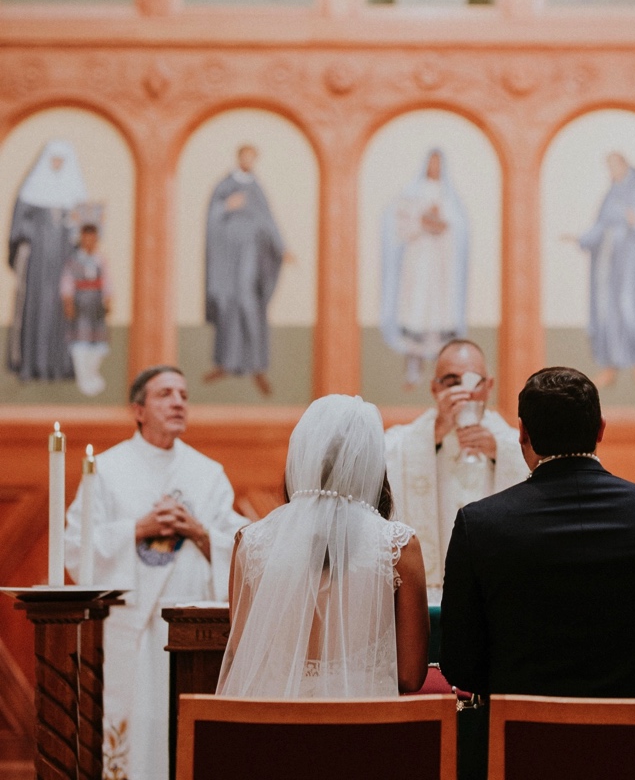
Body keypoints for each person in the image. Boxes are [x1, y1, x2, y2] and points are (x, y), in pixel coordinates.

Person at [440, 366, 635, 700]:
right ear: (601, 429)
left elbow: (460, 665)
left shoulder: (480, 523)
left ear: (522, 433)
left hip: (522, 742)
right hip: (633, 740)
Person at [64, 367, 243, 780]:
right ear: (138, 410)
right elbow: (76, 547)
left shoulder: (207, 473)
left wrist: (198, 532)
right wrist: (138, 529)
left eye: (183, 393)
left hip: (193, 632)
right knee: (136, 731)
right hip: (134, 630)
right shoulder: (106, 470)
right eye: (165, 394)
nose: (179, 401)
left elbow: (241, 545)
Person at [218, 395, 429, 698]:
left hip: (275, 728)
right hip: (363, 728)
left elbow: (245, 653)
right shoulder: (397, 545)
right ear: (372, 465)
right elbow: (410, 677)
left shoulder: (251, 542)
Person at [385, 339, 528, 601]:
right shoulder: (406, 442)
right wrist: (434, 436)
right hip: (428, 594)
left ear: (489, 386)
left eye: (474, 381)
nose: (464, 391)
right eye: (452, 381)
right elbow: (384, 461)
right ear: (434, 387)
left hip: (494, 593)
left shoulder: (511, 443)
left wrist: (501, 455)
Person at [563, 152, 635, 394]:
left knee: (631, 313)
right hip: (609, 268)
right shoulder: (611, 194)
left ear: (625, 165)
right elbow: (601, 226)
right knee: (609, 314)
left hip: (632, 268)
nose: (611, 171)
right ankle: (611, 368)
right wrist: (582, 238)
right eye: (609, 167)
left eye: (614, 166)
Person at [203, 145, 288, 395]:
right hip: (227, 258)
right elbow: (213, 214)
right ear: (239, 157)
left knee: (250, 305)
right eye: (245, 156)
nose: (249, 160)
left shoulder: (255, 187)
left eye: (253, 157)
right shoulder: (225, 185)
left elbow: (267, 218)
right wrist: (227, 206)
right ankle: (225, 364)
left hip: (251, 255)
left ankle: (257, 367)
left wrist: (281, 246)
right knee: (229, 306)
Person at [380, 148, 469, 386]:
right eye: (431, 163)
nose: (435, 168)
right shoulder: (413, 193)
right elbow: (402, 223)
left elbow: (457, 227)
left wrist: (442, 222)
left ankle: (441, 374)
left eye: (438, 163)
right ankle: (413, 371)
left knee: (438, 317)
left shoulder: (449, 196)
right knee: (416, 312)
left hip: (440, 266)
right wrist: (423, 220)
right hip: (419, 263)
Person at [7, 140, 87, 382]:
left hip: (65, 266)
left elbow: (86, 234)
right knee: (36, 309)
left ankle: (59, 366)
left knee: (63, 312)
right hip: (37, 269)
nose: (56, 164)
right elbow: (17, 231)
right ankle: (32, 366)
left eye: (61, 160)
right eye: (53, 159)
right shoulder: (31, 193)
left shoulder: (75, 196)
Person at [60, 219, 112, 397]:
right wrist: (68, 303)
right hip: (80, 305)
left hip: (96, 307)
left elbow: (107, 283)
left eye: (93, 238)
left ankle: (93, 376)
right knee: (81, 343)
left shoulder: (100, 261)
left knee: (97, 344)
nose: (89, 241)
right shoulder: (74, 261)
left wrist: (107, 300)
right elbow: (67, 283)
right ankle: (84, 379)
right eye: (86, 238)